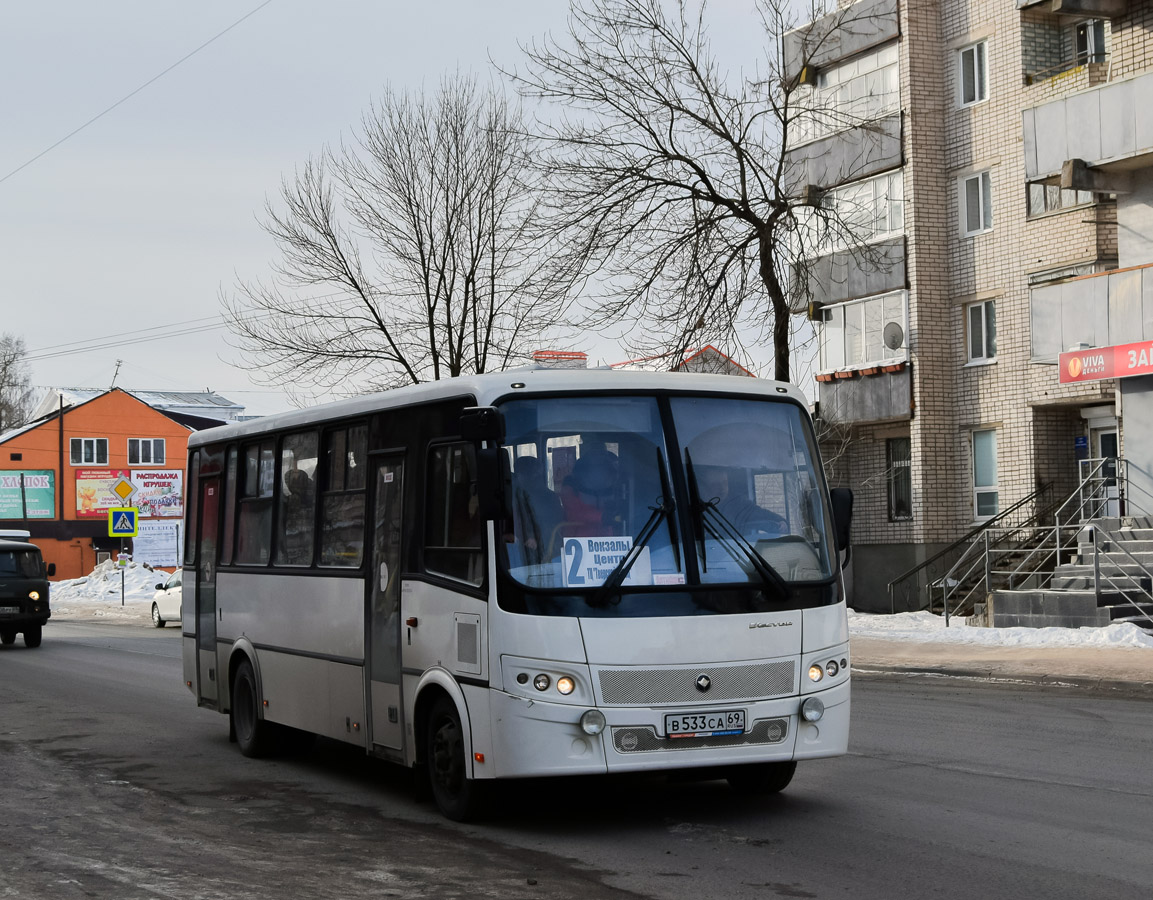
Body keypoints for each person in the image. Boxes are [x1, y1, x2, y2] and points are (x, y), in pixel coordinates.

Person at [697, 466, 787, 539]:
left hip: (739, 556)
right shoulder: (693, 508)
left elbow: (757, 513)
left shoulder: (737, 503)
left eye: (725, 483)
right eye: (716, 485)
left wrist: (779, 521)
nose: (722, 488)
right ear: (702, 487)